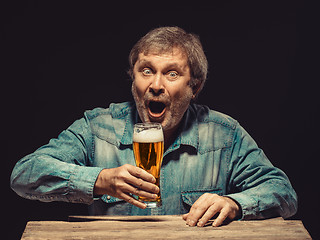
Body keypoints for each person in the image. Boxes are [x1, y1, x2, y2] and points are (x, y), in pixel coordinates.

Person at [10, 26, 297, 227]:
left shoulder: (224, 133)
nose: (156, 85)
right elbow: (24, 174)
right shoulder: (98, 127)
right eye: (147, 71)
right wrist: (99, 180)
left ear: (194, 87)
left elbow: (282, 192)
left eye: (172, 73)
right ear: (133, 78)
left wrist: (235, 204)